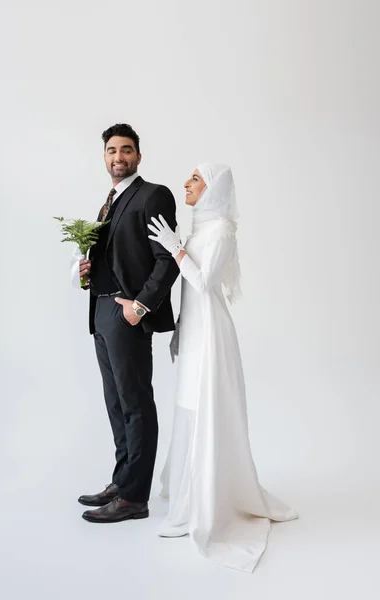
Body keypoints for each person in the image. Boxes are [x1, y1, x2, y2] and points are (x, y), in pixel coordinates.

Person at [147, 163, 298, 572]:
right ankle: (185, 489)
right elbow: (188, 293)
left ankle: (205, 499)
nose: (186, 184)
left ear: (212, 188)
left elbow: (205, 283)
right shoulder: (201, 229)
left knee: (203, 401)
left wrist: (177, 249)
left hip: (212, 333)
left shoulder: (221, 232)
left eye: (195, 179)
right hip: (194, 328)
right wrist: (179, 328)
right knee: (187, 402)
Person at [71, 124, 179, 523]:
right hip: (100, 312)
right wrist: (86, 269)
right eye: (112, 151)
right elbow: (116, 255)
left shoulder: (153, 195)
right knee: (116, 403)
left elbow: (168, 258)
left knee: (135, 403)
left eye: (127, 150)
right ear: (104, 157)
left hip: (126, 314)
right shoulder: (110, 200)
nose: (119, 157)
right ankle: (124, 478)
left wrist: (140, 306)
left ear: (138, 155)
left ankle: (135, 498)